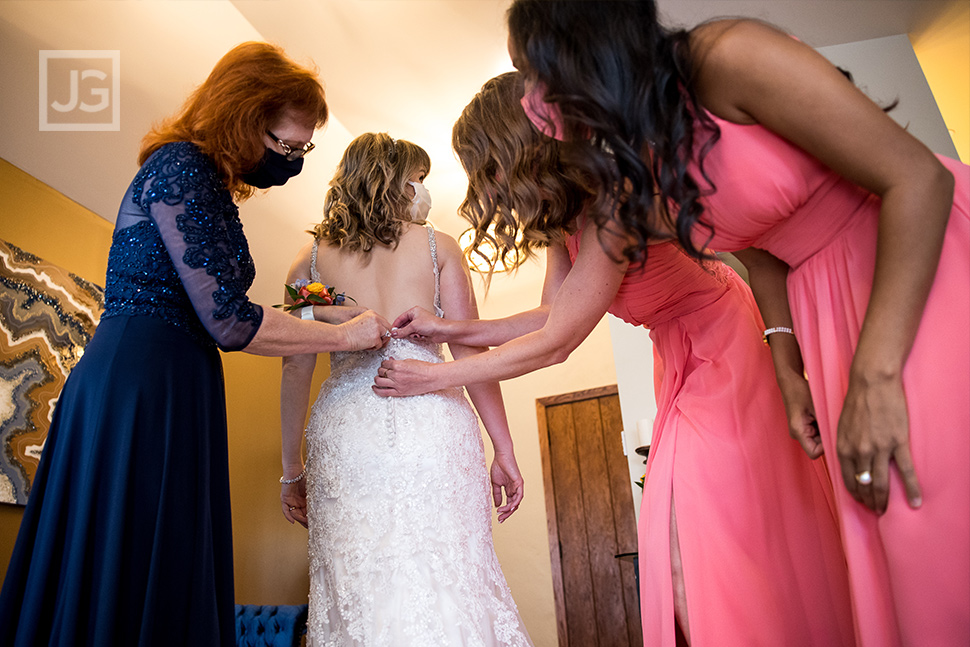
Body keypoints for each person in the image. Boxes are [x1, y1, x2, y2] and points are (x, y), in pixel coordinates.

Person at [486, 2, 967, 645]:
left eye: (532, 73)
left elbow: (918, 178)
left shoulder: (726, 56)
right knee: (893, 541)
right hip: (819, 308)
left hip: (911, 264)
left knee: (931, 519)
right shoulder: (643, 165)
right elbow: (761, 248)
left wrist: (876, 376)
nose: (531, 101)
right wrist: (786, 356)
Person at [380, 71, 855, 646]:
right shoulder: (564, 220)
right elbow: (553, 315)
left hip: (726, 346)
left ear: (519, 147)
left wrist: (436, 377)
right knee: (683, 542)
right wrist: (448, 327)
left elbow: (558, 343)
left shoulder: (615, 204)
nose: (488, 183)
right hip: (679, 357)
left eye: (487, 164)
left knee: (694, 535)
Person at [0, 42, 390, 646]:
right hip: (141, 381)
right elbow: (231, 321)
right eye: (288, 146)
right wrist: (344, 335)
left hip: (173, 379)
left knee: (159, 554)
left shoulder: (203, 181)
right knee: (130, 552)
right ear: (245, 115)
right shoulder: (180, 167)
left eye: (304, 150)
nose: (293, 161)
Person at [278, 132, 533, 646]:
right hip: (432, 423)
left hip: (347, 432)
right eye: (418, 178)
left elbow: (295, 366)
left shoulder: (307, 264)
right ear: (395, 180)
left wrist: (291, 471)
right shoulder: (438, 247)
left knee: (358, 578)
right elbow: (469, 351)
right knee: (448, 572)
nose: (423, 191)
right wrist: (504, 449)